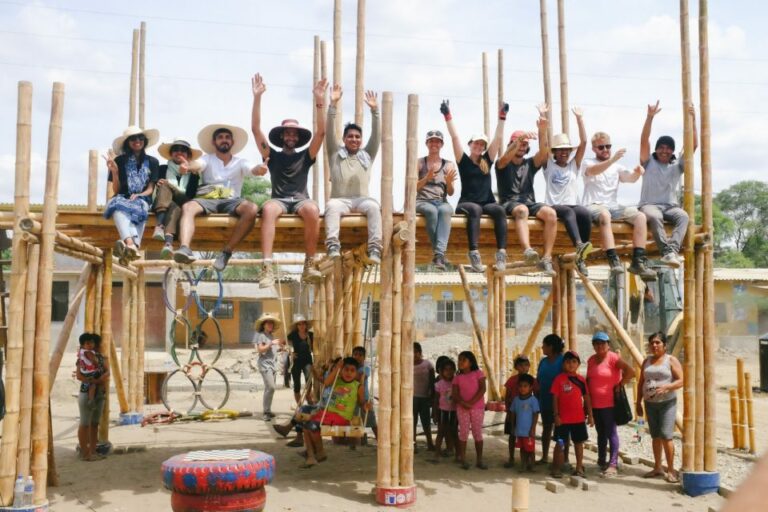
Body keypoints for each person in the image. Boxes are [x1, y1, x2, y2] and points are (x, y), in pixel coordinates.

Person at [251, 73, 328, 286]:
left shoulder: (306, 155)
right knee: (268, 209)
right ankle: (266, 267)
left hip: (301, 199)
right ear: (282, 136)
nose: (291, 137)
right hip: (280, 200)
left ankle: (309, 264)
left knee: (313, 210)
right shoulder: (272, 155)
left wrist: (320, 100)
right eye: (288, 134)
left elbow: (321, 133)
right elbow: (256, 130)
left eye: (295, 134)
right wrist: (257, 97)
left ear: (298, 138)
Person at [173, 123, 261, 271]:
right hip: (208, 199)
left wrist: (260, 169)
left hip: (232, 200)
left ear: (232, 142)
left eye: (227, 137)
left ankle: (226, 252)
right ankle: (185, 248)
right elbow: (197, 165)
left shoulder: (241, 162)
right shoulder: (207, 159)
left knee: (252, 209)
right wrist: (188, 167)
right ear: (214, 142)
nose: (224, 140)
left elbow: (253, 169)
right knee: (188, 206)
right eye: (220, 137)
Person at [441, 99, 509, 272]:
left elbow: (499, 138)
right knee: (476, 210)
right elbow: (454, 137)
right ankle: (474, 253)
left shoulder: (487, 160)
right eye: (476, 143)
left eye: (482, 144)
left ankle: (501, 253)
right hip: (467, 203)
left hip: (487, 202)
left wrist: (502, 117)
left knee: (500, 210)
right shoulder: (463, 160)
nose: (479, 146)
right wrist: (447, 116)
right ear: (470, 145)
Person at [582, 132, 656, 280]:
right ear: (594, 149)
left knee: (641, 217)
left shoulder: (617, 167)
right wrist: (612, 160)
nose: (605, 150)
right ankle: (612, 258)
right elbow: (592, 171)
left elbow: (629, 179)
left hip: (613, 206)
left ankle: (638, 260)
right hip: (593, 205)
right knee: (604, 215)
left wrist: (637, 173)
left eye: (608, 146)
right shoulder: (588, 162)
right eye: (601, 147)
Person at [495, 107, 558, 276]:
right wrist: (519, 140)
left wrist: (542, 130)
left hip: (529, 202)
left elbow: (544, 153)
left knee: (551, 214)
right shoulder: (502, 163)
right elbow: (505, 157)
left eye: (524, 144)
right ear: (511, 144)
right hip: (510, 202)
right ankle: (527, 250)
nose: (522, 146)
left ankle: (546, 258)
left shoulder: (529, 163)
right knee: (522, 210)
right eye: (519, 143)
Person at [324, 85, 382, 263]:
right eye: (350, 136)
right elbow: (328, 132)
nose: (354, 139)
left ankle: (375, 248)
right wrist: (332, 105)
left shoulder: (367, 155)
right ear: (344, 139)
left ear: (361, 140)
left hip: (361, 199)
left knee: (373, 207)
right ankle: (333, 244)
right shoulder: (335, 153)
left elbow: (377, 136)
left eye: (357, 137)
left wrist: (375, 111)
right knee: (332, 206)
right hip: (340, 200)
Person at [638, 100, 698, 267]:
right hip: (649, 205)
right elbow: (644, 140)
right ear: (656, 149)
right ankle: (666, 252)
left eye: (668, 148)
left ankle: (672, 249)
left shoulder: (677, 165)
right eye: (661, 147)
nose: (665, 151)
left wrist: (693, 121)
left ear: (672, 151)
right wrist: (649, 117)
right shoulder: (648, 162)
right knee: (655, 216)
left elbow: (693, 145)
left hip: (670, 207)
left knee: (684, 216)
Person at [542, 107, 594, 276]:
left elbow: (584, 142)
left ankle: (581, 255)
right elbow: (542, 146)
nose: (564, 152)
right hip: (555, 205)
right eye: (560, 150)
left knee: (584, 213)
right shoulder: (549, 165)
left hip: (573, 203)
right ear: (555, 153)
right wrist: (542, 121)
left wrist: (580, 119)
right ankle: (579, 244)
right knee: (568, 212)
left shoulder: (573, 165)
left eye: (567, 150)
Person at [103, 126, 160, 264]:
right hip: (123, 197)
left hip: (142, 198)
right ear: (127, 142)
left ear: (144, 141)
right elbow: (116, 190)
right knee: (117, 208)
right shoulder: (119, 161)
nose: (137, 141)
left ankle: (129, 247)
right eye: (133, 138)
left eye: (140, 138)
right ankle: (131, 244)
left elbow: (151, 188)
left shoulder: (153, 162)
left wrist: (140, 194)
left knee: (140, 211)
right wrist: (115, 172)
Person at [301, 357, 369, 468]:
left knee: (311, 426)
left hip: (341, 418)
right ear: (341, 370)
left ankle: (317, 453)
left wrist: (365, 405)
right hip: (327, 414)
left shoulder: (358, 386)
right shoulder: (336, 380)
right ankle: (313, 454)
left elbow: (361, 403)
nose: (349, 373)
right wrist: (337, 368)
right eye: (346, 369)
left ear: (356, 373)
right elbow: (326, 382)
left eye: (352, 370)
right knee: (306, 426)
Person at [635, 331, 684, 483]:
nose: (654, 345)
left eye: (658, 342)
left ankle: (671, 470)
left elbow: (682, 380)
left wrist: (667, 387)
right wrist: (638, 402)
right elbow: (641, 382)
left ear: (664, 345)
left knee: (666, 435)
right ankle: (657, 467)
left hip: (667, 403)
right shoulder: (646, 361)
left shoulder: (670, 360)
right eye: (652, 343)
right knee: (655, 435)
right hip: (650, 404)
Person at [586, 331, 636, 477]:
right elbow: (589, 380)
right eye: (596, 343)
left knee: (611, 432)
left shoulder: (613, 358)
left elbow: (631, 371)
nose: (600, 346)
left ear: (608, 345)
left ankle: (613, 463)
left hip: (609, 403)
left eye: (603, 343)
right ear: (593, 346)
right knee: (600, 433)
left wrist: (620, 384)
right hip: (595, 404)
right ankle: (601, 460)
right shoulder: (590, 360)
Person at [153, 138, 202, 259]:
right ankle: (168, 243)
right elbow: (155, 189)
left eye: (183, 151)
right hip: (165, 204)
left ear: (188, 155)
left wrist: (188, 168)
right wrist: (157, 183)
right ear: (171, 154)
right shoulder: (163, 168)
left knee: (166, 185)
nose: (179, 153)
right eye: (175, 150)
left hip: (185, 200)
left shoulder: (194, 172)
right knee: (173, 204)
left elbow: (191, 194)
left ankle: (159, 225)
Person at [416, 130, 457, 270]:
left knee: (446, 210)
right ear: (427, 143)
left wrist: (449, 182)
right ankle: (439, 253)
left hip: (441, 201)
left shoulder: (449, 165)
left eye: (437, 141)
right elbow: (411, 188)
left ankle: (438, 255)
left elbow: (451, 193)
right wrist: (426, 178)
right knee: (431, 211)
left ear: (442, 144)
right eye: (431, 141)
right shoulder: (419, 163)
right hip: (422, 201)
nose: (434, 143)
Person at [551, 350, 594, 478]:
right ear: (564, 364)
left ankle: (579, 467)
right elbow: (555, 398)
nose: (571, 364)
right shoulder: (559, 379)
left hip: (578, 419)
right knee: (560, 443)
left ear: (578, 364)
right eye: (568, 361)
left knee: (578, 443)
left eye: (574, 361)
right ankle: (556, 468)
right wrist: (556, 415)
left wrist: (591, 415)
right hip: (562, 419)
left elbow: (586, 398)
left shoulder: (581, 380)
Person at [76, 333, 109, 462]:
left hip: (99, 393)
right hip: (87, 392)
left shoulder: (101, 358)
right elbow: (79, 376)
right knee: (84, 423)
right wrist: (96, 381)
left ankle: (93, 451)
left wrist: (99, 379)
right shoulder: (82, 358)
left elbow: (107, 372)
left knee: (94, 423)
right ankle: (85, 453)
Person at [452, 350, 487, 470]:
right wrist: (463, 403)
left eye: (463, 360)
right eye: (459, 360)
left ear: (471, 362)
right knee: (463, 433)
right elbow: (455, 394)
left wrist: (471, 403)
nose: (460, 362)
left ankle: (480, 460)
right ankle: (463, 459)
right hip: (462, 409)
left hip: (477, 408)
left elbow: (482, 389)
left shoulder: (478, 373)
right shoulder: (457, 377)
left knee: (477, 433)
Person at [504, 355, 539, 468]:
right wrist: (508, 412)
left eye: (525, 365)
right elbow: (507, 396)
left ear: (529, 366)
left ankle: (529, 462)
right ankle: (511, 458)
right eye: (520, 365)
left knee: (528, 437)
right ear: (516, 367)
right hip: (513, 412)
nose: (523, 368)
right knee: (512, 435)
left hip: (527, 415)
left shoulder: (532, 380)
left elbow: (537, 394)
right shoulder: (511, 380)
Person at [536, 333, 565, 465]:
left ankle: (563, 459)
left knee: (561, 431)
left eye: (544, 345)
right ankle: (545, 456)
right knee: (546, 428)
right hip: (544, 399)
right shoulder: (543, 361)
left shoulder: (563, 361)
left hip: (560, 402)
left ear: (551, 347)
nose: (542, 347)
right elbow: (538, 380)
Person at [252, 313, 284, 421]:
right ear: (264, 324)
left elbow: (271, 350)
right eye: (268, 323)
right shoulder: (261, 335)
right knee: (271, 387)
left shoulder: (270, 336)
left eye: (271, 323)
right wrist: (271, 343)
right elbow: (260, 349)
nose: (270, 325)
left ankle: (268, 410)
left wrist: (281, 349)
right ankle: (265, 412)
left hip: (273, 365)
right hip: (265, 364)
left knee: (270, 389)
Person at [509, 374, 540, 472]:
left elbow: (535, 414)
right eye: (520, 386)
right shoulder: (516, 400)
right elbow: (513, 413)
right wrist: (513, 426)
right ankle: (523, 465)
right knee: (522, 449)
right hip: (519, 430)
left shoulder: (533, 400)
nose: (522, 388)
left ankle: (532, 465)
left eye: (525, 386)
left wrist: (533, 428)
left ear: (531, 387)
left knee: (530, 449)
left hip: (529, 431)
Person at [432, 358, 457, 460]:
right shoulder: (439, 384)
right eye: (446, 369)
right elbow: (436, 400)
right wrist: (434, 413)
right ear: (441, 372)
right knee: (441, 432)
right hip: (443, 411)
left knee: (453, 432)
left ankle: (454, 452)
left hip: (454, 411)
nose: (449, 371)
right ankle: (437, 454)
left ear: (454, 370)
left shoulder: (457, 382)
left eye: (451, 369)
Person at [352, 345, 378, 441]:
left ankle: (379, 440)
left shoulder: (365, 368)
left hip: (365, 398)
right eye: (355, 354)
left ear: (364, 357)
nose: (357, 357)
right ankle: (354, 442)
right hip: (354, 399)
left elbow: (360, 378)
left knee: (371, 421)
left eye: (360, 355)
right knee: (355, 421)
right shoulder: (352, 368)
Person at [287, 314, 314, 406]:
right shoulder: (293, 335)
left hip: (307, 360)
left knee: (309, 380)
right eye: (299, 324)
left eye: (303, 324)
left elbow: (315, 347)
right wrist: (290, 352)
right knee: (297, 384)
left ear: (306, 325)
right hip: (296, 361)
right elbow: (284, 343)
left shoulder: (311, 335)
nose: (302, 326)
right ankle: (299, 406)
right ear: (297, 326)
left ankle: (308, 396)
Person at [413, 342, 435, 451]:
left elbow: (432, 380)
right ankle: (413, 444)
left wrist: (432, 394)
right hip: (412, 398)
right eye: (412, 352)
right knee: (412, 421)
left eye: (416, 352)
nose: (414, 354)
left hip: (425, 397)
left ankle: (430, 443)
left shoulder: (427, 364)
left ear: (420, 353)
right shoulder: (406, 365)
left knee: (426, 421)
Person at [77, 341, 103, 405]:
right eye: (88, 343)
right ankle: (91, 400)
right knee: (92, 385)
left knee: (89, 385)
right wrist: (98, 366)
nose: (90, 345)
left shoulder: (82, 351)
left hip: (85, 370)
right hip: (89, 371)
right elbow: (94, 362)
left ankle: (90, 399)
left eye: (91, 343)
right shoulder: (88, 352)